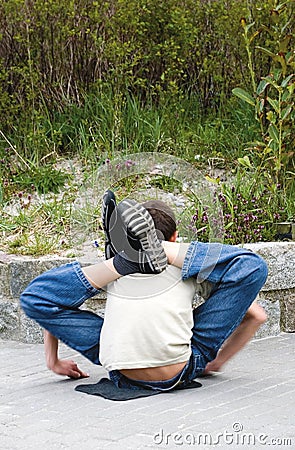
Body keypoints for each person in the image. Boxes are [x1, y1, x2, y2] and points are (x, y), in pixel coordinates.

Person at [20, 194, 268, 391]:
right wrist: (217, 362)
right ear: (174, 238)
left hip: (121, 366)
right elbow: (256, 314)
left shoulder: (110, 269)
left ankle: (129, 259)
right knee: (252, 268)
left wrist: (53, 360)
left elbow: (47, 300)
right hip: (178, 369)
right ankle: (158, 252)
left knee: (38, 297)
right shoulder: (193, 271)